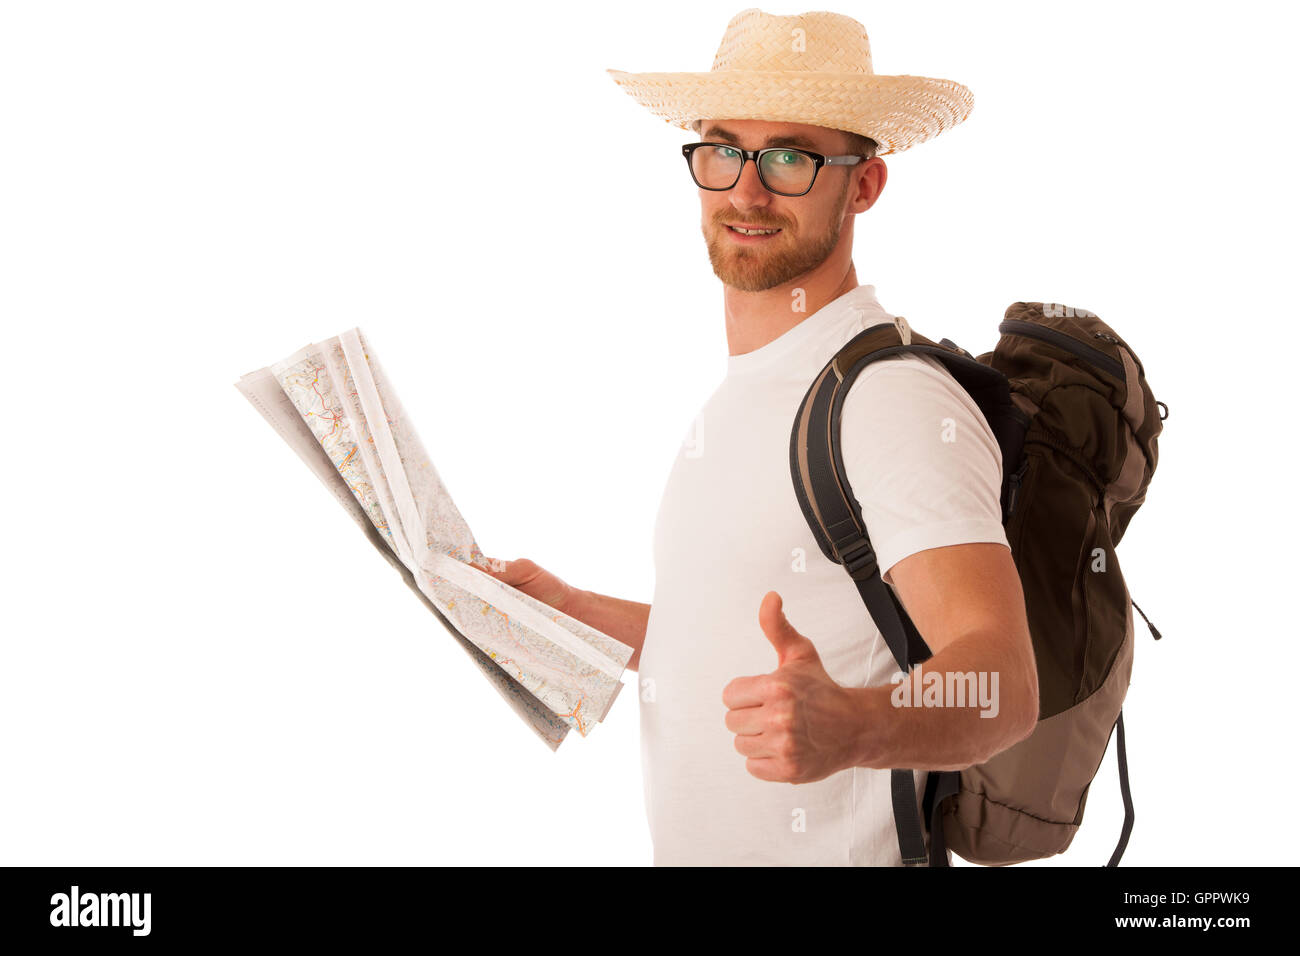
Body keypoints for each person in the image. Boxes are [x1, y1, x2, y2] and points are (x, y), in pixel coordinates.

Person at [476, 8, 1038, 865]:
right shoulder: (758, 387)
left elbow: (1002, 683)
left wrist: (855, 727)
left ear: (864, 184)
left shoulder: (888, 399)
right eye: (723, 148)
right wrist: (579, 615)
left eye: (789, 157)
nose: (745, 190)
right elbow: (754, 634)